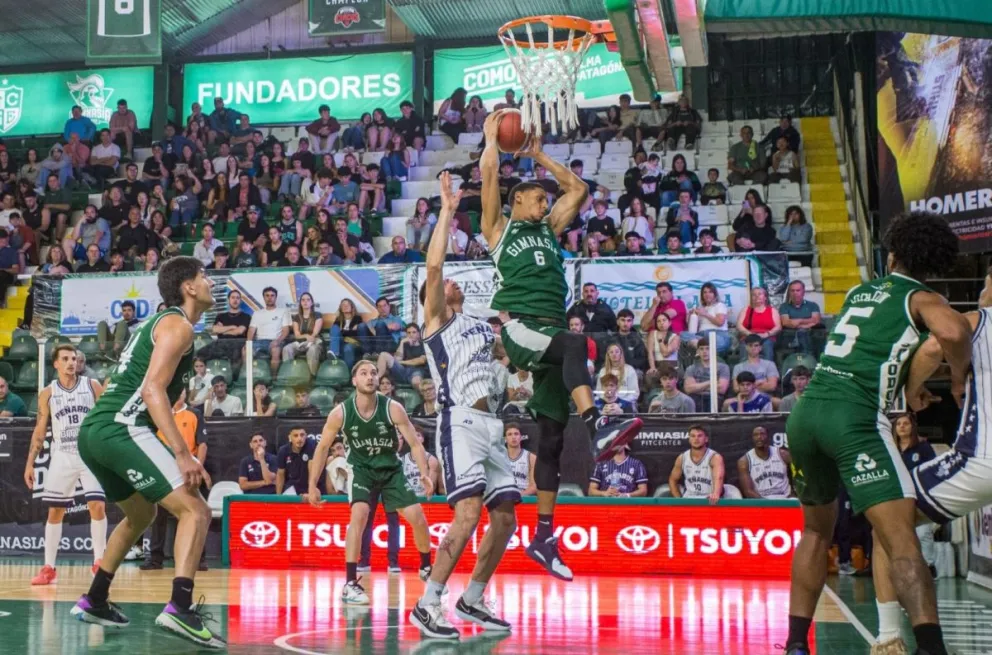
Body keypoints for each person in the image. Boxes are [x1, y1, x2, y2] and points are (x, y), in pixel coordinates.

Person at [782, 212, 973, 655]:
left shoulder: (859, 292)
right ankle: (932, 648)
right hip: (853, 417)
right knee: (900, 538)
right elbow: (951, 332)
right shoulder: (922, 297)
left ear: (892, 255)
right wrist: (958, 377)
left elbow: (882, 347)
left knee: (815, 533)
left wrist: (908, 384)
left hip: (806, 412)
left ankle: (795, 644)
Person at [479, 111, 642, 581]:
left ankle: (544, 537)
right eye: (537, 197)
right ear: (517, 200)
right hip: (523, 327)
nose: (544, 202)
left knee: (550, 437)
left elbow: (580, 190)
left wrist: (539, 155)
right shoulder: (500, 230)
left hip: (550, 333)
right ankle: (599, 426)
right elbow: (489, 175)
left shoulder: (549, 229)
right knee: (576, 344)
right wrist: (491, 139)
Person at [71, 257, 224, 648]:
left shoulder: (158, 324)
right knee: (197, 510)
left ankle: (95, 598)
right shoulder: (178, 325)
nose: (209, 282)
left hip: (96, 431)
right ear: (189, 287)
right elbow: (152, 390)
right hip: (121, 427)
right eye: (204, 276)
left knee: (142, 514)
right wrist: (182, 453)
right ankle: (179, 608)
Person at [410, 173, 518, 638]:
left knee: (506, 518)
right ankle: (428, 603)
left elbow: (508, 360)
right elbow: (434, 267)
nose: (451, 280)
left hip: (492, 422)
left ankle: (472, 598)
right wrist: (448, 211)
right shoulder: (437, 320)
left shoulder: (480, 324)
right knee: (469, 514)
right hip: (459, 422)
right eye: (444, 282)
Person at [868, 268, 992, 654]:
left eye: (986, 284)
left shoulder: (978, 321)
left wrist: (911, 390)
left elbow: (936, 344)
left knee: (888, 523)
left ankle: (890, 638)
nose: (981, 290)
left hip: (981, 461)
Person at [307, 361, 435, 605]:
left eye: (374, 373)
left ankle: (427, 568)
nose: (370, 377)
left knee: (417, 516)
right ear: (354, 380)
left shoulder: (392, 408)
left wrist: (424, 472)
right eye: (363, 373)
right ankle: (350, 584)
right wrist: (312, 484)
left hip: (390, 469)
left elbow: (415, 444)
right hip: (361, 470)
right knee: (359, 515)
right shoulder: (341, 413)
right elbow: (322, 448)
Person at [24, 345, 106, 585]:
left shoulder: (92, 386)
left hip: (89, 453)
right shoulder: (48, 393)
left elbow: (106, 419)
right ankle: (49, 568)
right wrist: (30, 463)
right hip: (62, 455)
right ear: (56, 364)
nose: (71, 362)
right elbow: (40, 430)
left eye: (74, 358)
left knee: (97, 505)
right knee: (55, 511)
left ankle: (99, 562)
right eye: (66, 359)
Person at [140, 393, 208, 571]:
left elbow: (202, 444)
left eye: (183, 390)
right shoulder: (158, 412)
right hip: (162, 470)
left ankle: (198, 559)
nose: (179, 393)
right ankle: (155, 559)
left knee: (194, 513)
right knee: (158, 516)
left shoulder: (194, 414)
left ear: (186, 393)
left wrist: (198, 467)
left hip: (187, 471)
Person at [669, 425, 725, 501]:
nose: (696, 439)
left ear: (706, 439)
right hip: (689, 499)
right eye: (693, 436)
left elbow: (719, 478)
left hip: (709, 500)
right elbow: (672, 480)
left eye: (700, 436)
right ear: (689, 439)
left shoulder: (715, 457)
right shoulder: (682, 458)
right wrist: (679, 500)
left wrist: (716, 494)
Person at [245, 286, 291, 378]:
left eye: (272, 295)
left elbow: (286, 331)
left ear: (276, 297)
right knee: (245, 351)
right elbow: (251, 330)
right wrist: (248, 343)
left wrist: (277, 341)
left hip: (275, 341)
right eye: (267, 295)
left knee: (275, 350)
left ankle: (272, 378)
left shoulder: (283, 311)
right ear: (264, 297)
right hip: (259, 341)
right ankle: (248, 378)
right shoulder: (257, 313)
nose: (270, 298)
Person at [737, 426, 793, 499]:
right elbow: (748, 491)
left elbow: (799, 476)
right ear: (752, 438)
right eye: (756, 435)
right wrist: (765, 503)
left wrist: (793, 494)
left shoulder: (783, 454)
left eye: (762, 434)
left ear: (768, 436)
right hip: (762, 501)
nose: (759, 437)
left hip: (786, 498)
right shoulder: (744, 461)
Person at [281, 292, 323, 377]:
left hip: (314, 342)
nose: (305, 302)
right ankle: (289, 374)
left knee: (312, 350)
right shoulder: (296, 317)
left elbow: (314, 334)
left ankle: (312, 376)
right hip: (300, 342)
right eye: (303, 300)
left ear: (312, 303)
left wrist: (308, 338)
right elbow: (297, 335)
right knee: (287, 349)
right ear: (300, 303)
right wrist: (306, 336)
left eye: (308, 300)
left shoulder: (318, 315)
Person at [376, 323, 428, 388]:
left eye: (414, 332)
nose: (411, 335)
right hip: (402, 371)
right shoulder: (403, 343)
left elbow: (421, 361)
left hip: (416, 371)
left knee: (416, 381)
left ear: (418, 334)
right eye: (409, 333)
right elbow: (397, 359)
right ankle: (376, 380)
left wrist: (402, 362)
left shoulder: (424, 345)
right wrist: (402, 342)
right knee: (383, 355)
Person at [276, 427, 324, 496]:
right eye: (296, 436)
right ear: (290, 437)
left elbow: (312, 469)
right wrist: (278, 497)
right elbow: (280, 474)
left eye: (302, 435)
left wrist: (311, 491)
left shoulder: (312, 444)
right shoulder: (283, 451)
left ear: (306, 436)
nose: (299, 438)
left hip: (310, 484)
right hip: (292, 486)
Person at [779, 280, 822, 355]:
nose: (795, 293)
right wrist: (808, 323)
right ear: (789, 293)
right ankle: (807, 356)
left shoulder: (813, 305)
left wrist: (799, 321)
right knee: (801, 333)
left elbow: (816, 321)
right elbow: (785, 322)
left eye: (798, 290)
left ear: (803, 292)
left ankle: (806, 356)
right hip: (790, 335)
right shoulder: (784, 306)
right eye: (792, 291)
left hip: (810, 334)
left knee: (804, 333)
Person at [504, 423, 537, 496]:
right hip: (504, 497)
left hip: (524, 496)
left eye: (516, 434)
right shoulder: (500, 457)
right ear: (505, 438)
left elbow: (534, 486)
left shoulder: (531, 457)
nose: (513, 437)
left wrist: (519, 495)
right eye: (509, 434)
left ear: (521, 437)